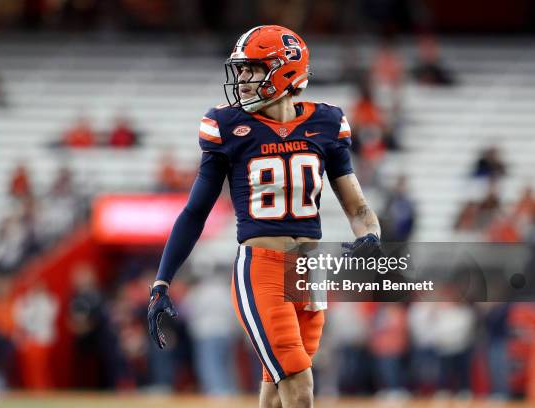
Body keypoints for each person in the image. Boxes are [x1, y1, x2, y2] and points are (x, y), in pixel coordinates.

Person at [146, 25, 381, 407]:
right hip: (262, 268)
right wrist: (162, 281)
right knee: (300, 387)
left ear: (283, 70)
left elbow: (358, 207)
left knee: (276, 388)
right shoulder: (228, 126)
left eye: (251, 69)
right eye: (240, 70)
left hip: (308, 271)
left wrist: (370, 237)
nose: (241, 80)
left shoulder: (326, 123)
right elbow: (194, 213)